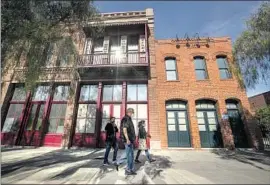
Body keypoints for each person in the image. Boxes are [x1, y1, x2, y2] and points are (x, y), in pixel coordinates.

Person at [120, 108, 137, 175]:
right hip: (128, 140)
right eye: (133, 113)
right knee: (129, 155)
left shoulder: (128, 119)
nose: (133, 114)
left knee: (131, 155)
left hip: (130, 140)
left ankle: (129, 168)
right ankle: (128, 170)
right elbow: (124, 130)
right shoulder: (126, 119)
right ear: (129, 112)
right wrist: (127, 139)